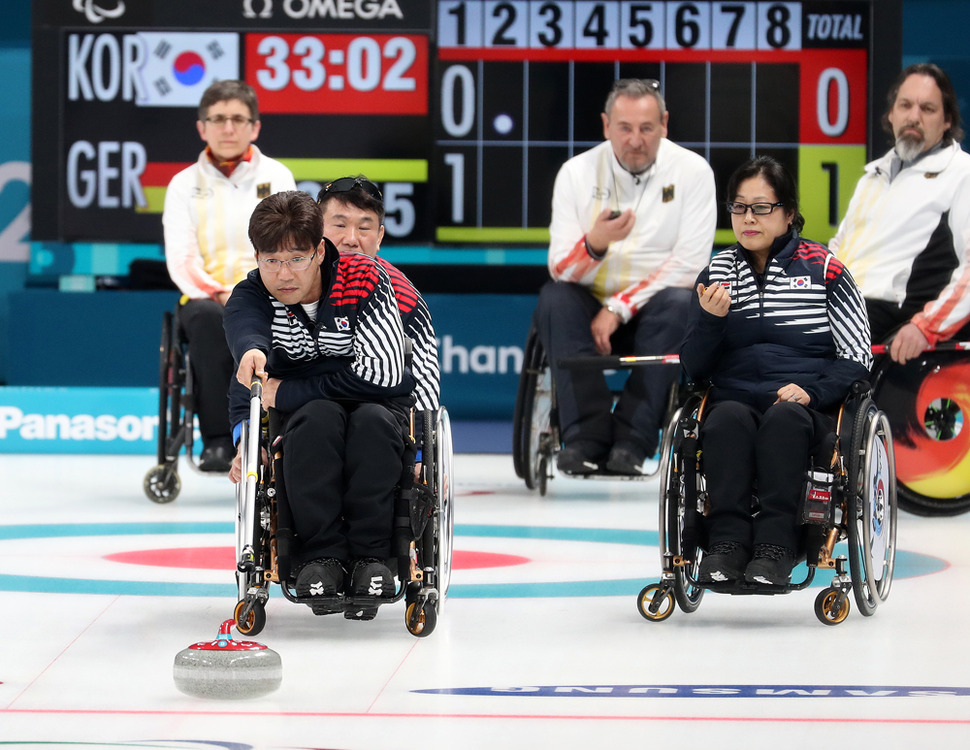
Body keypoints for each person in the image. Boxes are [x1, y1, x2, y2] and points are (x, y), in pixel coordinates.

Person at [682, 156, 872, 586]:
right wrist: (711, 322)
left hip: (803, 403)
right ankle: (725, 545)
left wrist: (813, 393)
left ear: (788, 213)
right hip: (735, 397)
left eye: (761, 207)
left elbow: (859, 355)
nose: (748, 218)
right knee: (726, 419)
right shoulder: (716, 272)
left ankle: (776, 547)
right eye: (738, 207)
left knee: (784, 420)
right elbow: (692, 369)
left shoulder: (826, 269)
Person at [224, 191, 414, 621]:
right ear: (256, 257)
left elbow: (381, 375)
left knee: (370, 424)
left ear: (320, 250)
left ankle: (372, 558)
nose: (283, 274)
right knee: (316, 420)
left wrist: (288, 391)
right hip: (307, 419)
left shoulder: (365, 278)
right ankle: (321, 557)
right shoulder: (250, 297)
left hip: (379, 405)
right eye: (270, 261)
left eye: (296, 259)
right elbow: (248, 363)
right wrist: (244, 439)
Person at [535, 77, 717, 476]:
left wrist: (619, 308)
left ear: (665, 124)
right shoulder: (576, 173)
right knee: (554, 297)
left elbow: (691, 263)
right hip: (587, 308)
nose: (636, 140)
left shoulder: (693, 172)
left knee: (680, 301)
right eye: (625, 128)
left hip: (657, 314)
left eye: (647, 128)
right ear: (606, 126)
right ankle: (585, 438)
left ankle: (632, 442)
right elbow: (559, 267)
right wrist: (595, 244)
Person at [163, 79, 296, 471]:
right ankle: (220, 441)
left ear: (254, 127)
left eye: (238, 119)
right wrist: (222, 294)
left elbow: (289, 247)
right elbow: (182, 258)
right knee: (209, 320)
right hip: (206, 298)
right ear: (202, 127)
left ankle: (281, 433)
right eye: (218, 119)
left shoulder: (278, 177)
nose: (228, 128)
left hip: (272, 292)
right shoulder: (183, 185)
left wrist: (267, 290)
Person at [830, 63, 970, 365]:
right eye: (905, 105)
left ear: (947, 120)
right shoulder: (872, 176)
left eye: (927, 108)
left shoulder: (962, 174)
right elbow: (838, 251)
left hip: (892, 317)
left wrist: (925, 327)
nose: (913, 116)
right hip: (842, 310)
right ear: (891, 113)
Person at [316, 175, 440, 415]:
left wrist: (422, 441)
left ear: (380, 236)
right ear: (316, 228)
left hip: (379, 419)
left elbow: (424, 380)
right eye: (340, 225)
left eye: (364, 228)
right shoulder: (291, 282)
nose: (351, 240)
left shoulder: (404, 296)